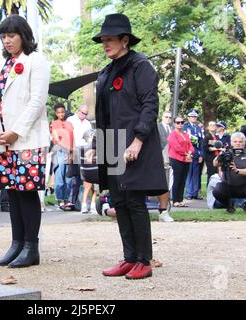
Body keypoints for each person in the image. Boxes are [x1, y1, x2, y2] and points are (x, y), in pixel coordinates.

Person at [93, 13, 168, 280]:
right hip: (111, 143)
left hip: (133, 143)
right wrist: (96, 143)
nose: (105, 44)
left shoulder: (140, 65)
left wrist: (138, 139)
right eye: (103, 40)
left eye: (110, 39)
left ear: (125, 40)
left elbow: (150, 105)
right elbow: (102, 113)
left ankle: (144, 261)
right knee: (119, 202)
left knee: (135, 201)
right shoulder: (106, 72)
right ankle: (129, 258)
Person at [0, 15, 50, 268]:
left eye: (11, 35)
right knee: (11, 192)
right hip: (1, 140)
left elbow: (37, 102)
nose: (7, 40)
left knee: (26, 190)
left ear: (23, 35)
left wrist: (15, 132)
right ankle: (16, 243)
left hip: (26, 140)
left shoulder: (36, 61)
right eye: (3, 36)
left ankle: (31, 247)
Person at [212, 132, 246, 213]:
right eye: (235, 142)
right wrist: (221, 155)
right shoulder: (226, 154)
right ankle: (229, 206)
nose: (238, 144)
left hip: (245, 185)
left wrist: (237, 170)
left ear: (244, 143)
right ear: (231, 143)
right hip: (227, 185)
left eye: (240, 142)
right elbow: (215, 164)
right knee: (217, 191)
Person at [50, 102, 74, 210]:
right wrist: (67, 148)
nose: (61, 114)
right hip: (59, 151)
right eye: (59, 113)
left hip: (69, 151)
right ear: (56, 113)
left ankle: (67, 200)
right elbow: (56, 139)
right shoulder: (54, 123)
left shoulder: (69, 124)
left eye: (63, 112)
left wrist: (72, 151)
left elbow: (73, 138)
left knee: (68, 177)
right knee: (60, 176)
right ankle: (60, 200)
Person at [168, 115, 194, 207]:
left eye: (182, 122)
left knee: (183, 180)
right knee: (177, 179)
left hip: (186, 159)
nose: (180, 124)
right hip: (176, 158)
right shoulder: (172, 134)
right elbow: (176, 147)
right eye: (178, 123)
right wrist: (186, 153)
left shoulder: (185, 134)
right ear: (174, 124)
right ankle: (175, 200)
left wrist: (190, 152)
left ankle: (180, 199)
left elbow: (191, 145)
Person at [156, 111, 174, 222]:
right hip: (161, 157)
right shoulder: (157, 127)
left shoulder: (172, 129)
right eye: (166, 117)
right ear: (162, 117)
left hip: (171, 158)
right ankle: (162, 209)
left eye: (169, 117)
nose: (168, 119)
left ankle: (164, 209)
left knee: (168, 183)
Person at [183, 110, 204, 200]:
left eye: (195, 117)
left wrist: (201, 155)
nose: (193, 118)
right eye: (191, 117)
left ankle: (195, 193)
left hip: (196, 153)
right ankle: (189, 193)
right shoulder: (185, 127)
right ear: (188, 118)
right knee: (189, 173)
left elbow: (201, 142)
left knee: (196, 174)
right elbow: (185, 140)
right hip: (188, 152)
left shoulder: (198, 128)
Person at [202, 121, 219, 186]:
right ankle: (210, 191)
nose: (212, 126)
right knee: (211, 175)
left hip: (217, 158)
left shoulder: (216, 137)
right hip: (210, 159)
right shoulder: (207, 137)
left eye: (214, 125)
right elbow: (205, 148)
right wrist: (216, 148)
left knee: (217, 175)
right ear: (208, 127)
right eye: (211, 125)